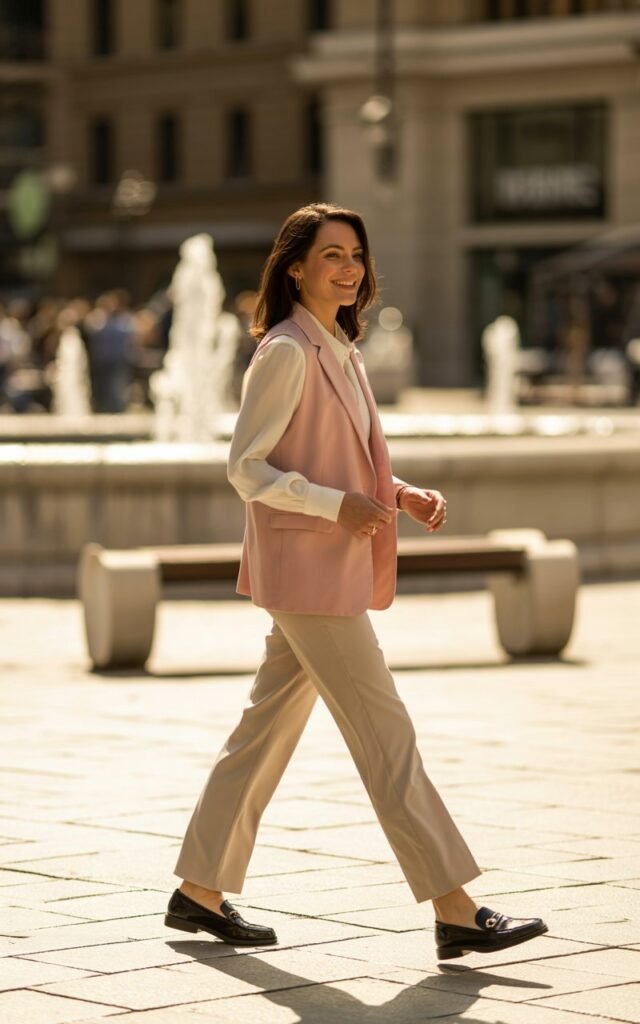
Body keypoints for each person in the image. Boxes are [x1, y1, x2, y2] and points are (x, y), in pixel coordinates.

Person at [166, 203, 548, 960]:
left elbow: (340, 455)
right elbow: (246, 469)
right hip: (308, 571)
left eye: (356, 256)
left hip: (321, 567)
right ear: (296, 267)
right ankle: (454, 906)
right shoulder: (286, 350)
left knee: (261, 733)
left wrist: (395, 491)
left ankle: (198, 891)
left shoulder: (339, 345)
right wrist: (335, 504)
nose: (349, 267)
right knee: (386, 733)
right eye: (332, 254)